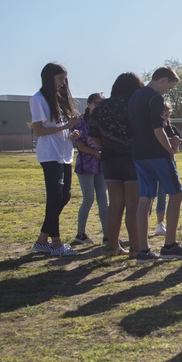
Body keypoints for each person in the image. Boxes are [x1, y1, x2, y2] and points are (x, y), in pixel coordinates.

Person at [129, 66, 182, 263]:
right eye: (169, 87)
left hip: (139, 154)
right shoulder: (155, 98)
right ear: (162, 80)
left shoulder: (135, 97)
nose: (167, 92)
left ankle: (143, 250)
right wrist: (170, 151)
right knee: (177, 194)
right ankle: (170, 245)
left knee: (145, 199)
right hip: (156, 154)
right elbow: (157, 129)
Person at [90, 72, 144, 257]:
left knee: (114, 205)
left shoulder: (102, 107)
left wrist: (107, 145)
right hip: (131, 158)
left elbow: (93, 133)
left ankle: (113, 247)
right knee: (133, 205)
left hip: (109, 159)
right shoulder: (135, 104)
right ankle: (136, 248)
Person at [29, 63, 80, 257]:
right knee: (54, 196)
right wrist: (66, 125)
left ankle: (42, 240)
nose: (63, 83)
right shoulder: (38, 99)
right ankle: (56, 243)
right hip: (49, 154)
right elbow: (39, 131)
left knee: (65, 195)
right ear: (49, 78)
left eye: (64, 79)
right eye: (60, 78)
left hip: (64, 153)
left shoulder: (60, 99)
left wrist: (71, 132)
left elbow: (61, 126)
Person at [71, 92, 108, 246]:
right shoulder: (81, 122)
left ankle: (108, 235)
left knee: (103, 200)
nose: (99, 106)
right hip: (86, 164)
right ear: (89, 104)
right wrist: (95, 153)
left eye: (102, 103)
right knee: (88, 199)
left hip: (100, 165)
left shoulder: (103, 122)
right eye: (97, 103)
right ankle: (81, 234)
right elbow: (80, 146)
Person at [151, 101, 181, 236]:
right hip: (154, 164)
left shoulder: (171, 128)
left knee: (163, 195)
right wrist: (169, 140)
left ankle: (160, 223)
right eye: (164, 115)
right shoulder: (153, 127)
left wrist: (175, 144)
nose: (166, 118)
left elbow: (175, 150)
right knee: (150, 195)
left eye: (168, 115)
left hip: (168, 163)